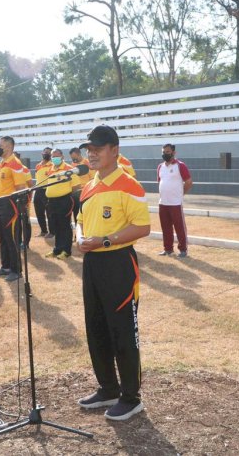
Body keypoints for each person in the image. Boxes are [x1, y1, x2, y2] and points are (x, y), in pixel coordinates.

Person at [75, 125, 151, 422]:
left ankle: (131, 397)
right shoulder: (88, 185)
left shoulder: (129, 185)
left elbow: (142, 227)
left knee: (122, 330)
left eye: (97, 149)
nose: (91, 154)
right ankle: (108, 387)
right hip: (92, 262)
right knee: (96, 327)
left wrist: (104, 240)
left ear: (114, 150)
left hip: (118, 262)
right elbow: (80, 220)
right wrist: (80, 236)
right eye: (88, 149)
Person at [0, 136, 28, 282]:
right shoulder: (2, 163)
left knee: (12, 238)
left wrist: (19, 206)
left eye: (0, 145)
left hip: (9, 204)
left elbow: (20, 187)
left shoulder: (14, 163)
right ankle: (5, 267)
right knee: (3, 237)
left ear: (9, 146)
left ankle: (16, 270)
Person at [44, 149, 81, 260]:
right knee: (56, 226)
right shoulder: (50, 169)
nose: (54, 158)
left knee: (64, 225)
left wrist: (66, 194)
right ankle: (57, 249)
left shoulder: (69, 169)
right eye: (52, 156)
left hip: (64, 201)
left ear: (62, 157)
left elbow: (76, 186)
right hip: (52, 201)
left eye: (57, 156)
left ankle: (66, 251)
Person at [157, 144, 193, 257]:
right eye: (163, 151)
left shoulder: (180, 165)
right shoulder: (160, 167)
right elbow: (160, 182)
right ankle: (168, 249)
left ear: (174, 153)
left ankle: (183, 249)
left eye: (167, 151)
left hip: (175, 203)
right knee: (165, 227)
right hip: (163, 203)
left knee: (179, 227)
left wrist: (181, 194)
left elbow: (188, 182)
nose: (165, 154)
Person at [70, 147, 95, 227]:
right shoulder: (72, 165)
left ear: (79, 154)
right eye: (72, 158)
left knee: (87, 213)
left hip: (86, 192)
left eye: (74, 157)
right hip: (75, 193)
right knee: (76, 213)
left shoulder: (88, 164)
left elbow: (93, 179)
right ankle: (78, 233)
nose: (73, 159)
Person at [33, 147, 53, 237]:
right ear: (42, 153)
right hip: (38, 190)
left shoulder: (52, 165)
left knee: (49, 212)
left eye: (48, 153)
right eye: (45, 152)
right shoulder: (38, 165)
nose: (46, 154)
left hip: (48, 189)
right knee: (39, 211)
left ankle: (52, 232)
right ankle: (43, 231)